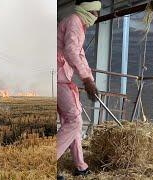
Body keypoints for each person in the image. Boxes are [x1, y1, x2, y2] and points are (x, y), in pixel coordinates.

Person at [57, 0, 101, 179]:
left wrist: (90, 79)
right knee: (74, 120)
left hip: (58, 75)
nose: (97, 17)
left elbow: (79, 54)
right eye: (96, 12)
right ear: (88, 10)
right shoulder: (75, 20)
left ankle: (80, 166)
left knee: (74, 121)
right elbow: (71, 52)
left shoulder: (77, 23)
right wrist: (85, 79)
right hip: (58, 76)